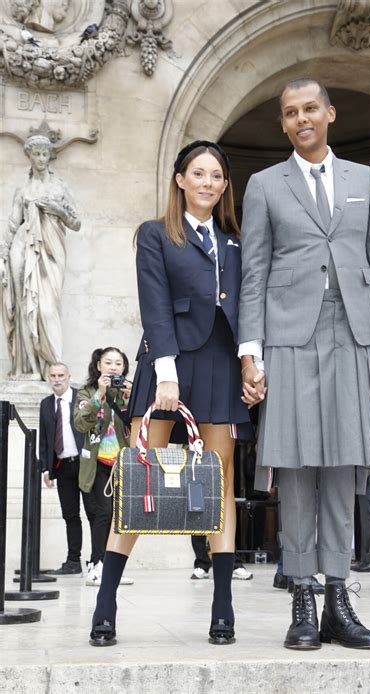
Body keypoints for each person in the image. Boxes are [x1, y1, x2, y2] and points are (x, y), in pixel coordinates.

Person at [238, 78, 370, 650]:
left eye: (310, 108)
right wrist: (249, 355)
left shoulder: (367, 179)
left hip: (355, 338)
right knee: (295, 466)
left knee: (344, 469)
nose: (301, 118)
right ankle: (302, 598)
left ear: (330, 113)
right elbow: (252, 274)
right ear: (282, 124)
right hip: (287, 340)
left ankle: (340, 595)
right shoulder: (263, 185)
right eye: (290, 113)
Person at [89, 140, 252, 648]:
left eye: (216, 175)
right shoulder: (156, 234)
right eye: (198, 173)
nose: (207, 182)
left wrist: (252, 362)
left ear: (225, 186)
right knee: (140, 482)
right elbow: (154, 305)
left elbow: (246, 309)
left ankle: (222, 607)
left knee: (219, 486)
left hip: (221, 367)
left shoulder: (234, 241)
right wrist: (165, 371)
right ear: (180, 178)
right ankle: (105, 603)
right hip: (168, 364)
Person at [0, 134, 81, 379]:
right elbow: (14, 224)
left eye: (45, 154)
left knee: (46, 308)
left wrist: (57, 210)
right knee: (26, 305)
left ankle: (53, 369)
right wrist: (3, 255)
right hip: (23, 247)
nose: (42, 158)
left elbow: (76, 222)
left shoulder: (59, 187)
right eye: (37, 154)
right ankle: (29, 369)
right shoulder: (23, 190)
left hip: (51, 250)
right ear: (30, 156)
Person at [73, 347, 134, 588]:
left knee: (120, 518)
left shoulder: (130, 391)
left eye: (118, 363)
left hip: (123, 464)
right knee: (103, 514)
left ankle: (112, 569)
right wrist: (99, 394)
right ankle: (96, 564)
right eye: (108, 362)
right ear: (98, 366)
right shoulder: (86, 392)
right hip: (98, 464)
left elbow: (139, 424)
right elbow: (80, 424)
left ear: (124, 368)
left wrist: (131, 398)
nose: (113, 367)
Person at [39, 362, 95, 575]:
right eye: (52, 375)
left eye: (61, 375)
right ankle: (73, 562)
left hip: (85, 464)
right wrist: (46, 469)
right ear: (48, 378)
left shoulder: (80, 399)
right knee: (70, 515)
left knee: (93, 513)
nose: (57, 379)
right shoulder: (45, 404)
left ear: (69, 376)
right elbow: (44, 440)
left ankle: (98, 560)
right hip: (63, 467)